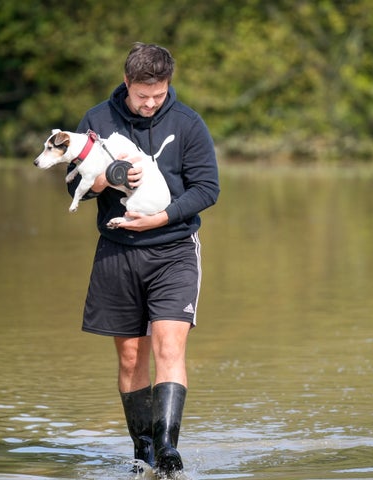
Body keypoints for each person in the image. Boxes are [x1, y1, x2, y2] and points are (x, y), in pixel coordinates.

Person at [65, 42, 219, 476]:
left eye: (159, 95)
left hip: (173, 250)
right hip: (117, 252)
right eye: (142, 96)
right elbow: (71, 184)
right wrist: (104, 181)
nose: (151, 104)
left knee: (169, 346)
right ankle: (144, 452)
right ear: (127, 83)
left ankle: (170, 451)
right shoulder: (96, 121)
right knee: (132, 358)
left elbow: (207, 189)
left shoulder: (188, 124)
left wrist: (161, 219)